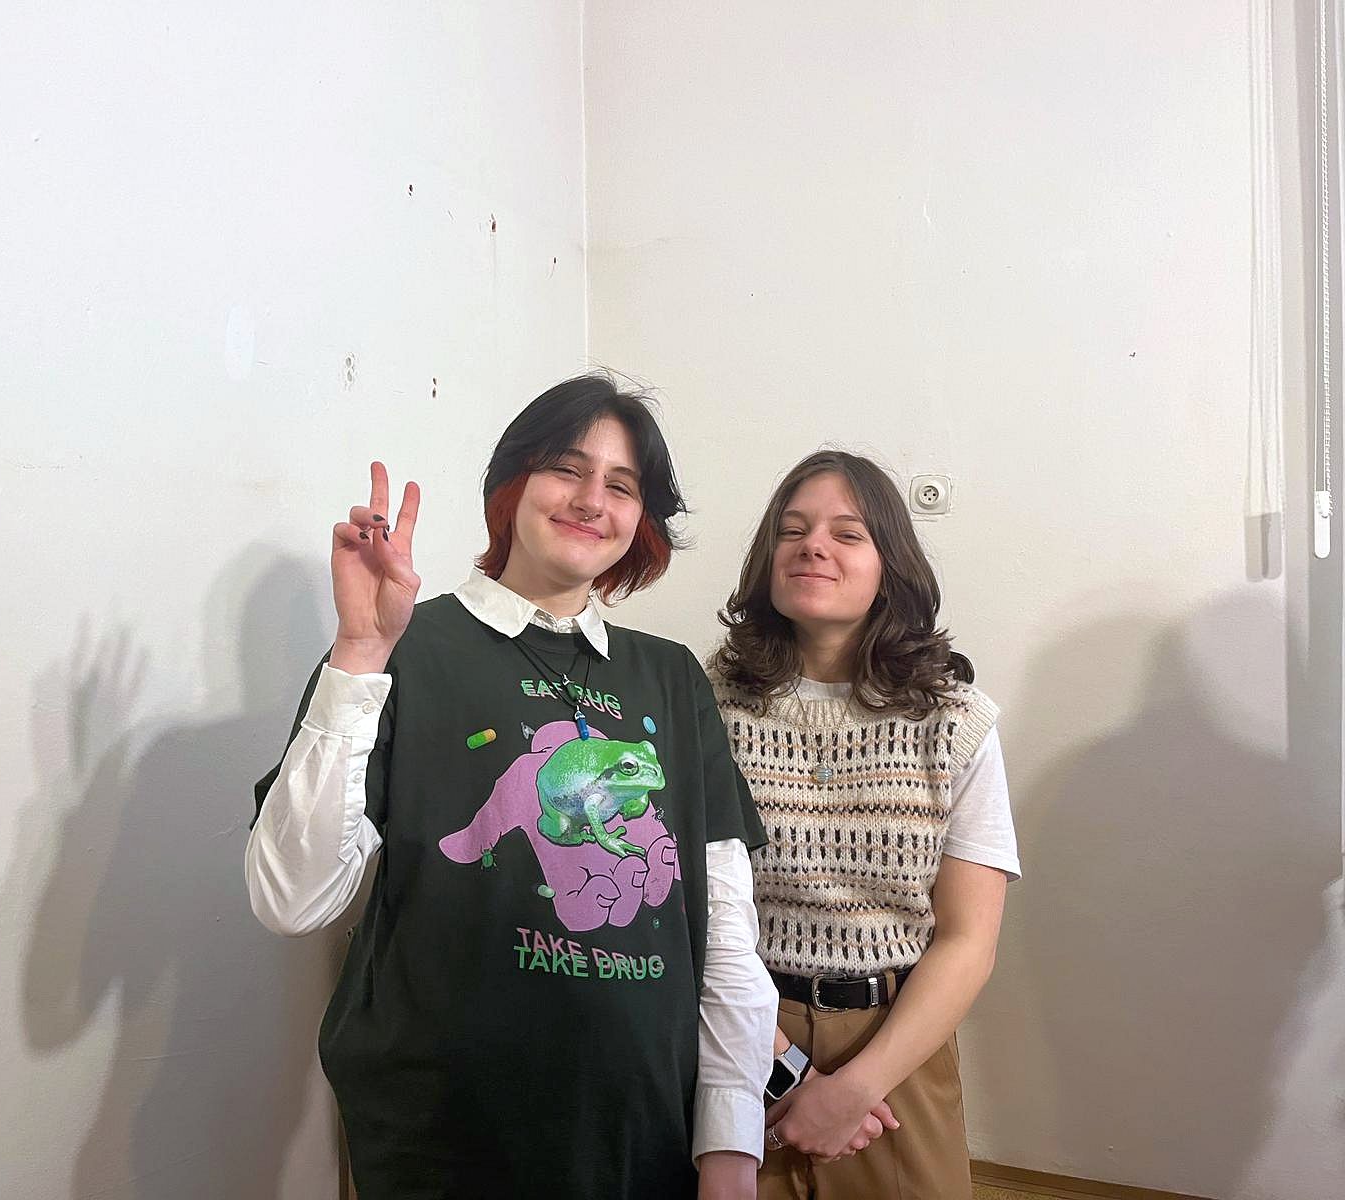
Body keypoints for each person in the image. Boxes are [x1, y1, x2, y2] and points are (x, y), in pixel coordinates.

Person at [245, 374, 782, 1200]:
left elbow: (725, 935)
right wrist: (359, 652)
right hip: (441, 1138)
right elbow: (291, 899)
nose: (592, 500)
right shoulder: (405, 647)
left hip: (643, 1133)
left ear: (641, 521)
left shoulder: (672, 676)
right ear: (512, 482)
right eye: (567, 468)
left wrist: (731, 1146)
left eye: (622, 486)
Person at [710, 450, 1021, 1200]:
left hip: (896, 1047)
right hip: (739, 1028)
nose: (812, 546)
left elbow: (968, 940)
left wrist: (853, 1090)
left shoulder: (955, 723)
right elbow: (687, 908)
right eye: (792, 530)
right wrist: (783, 1068)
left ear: (892, 566)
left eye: (847, 534)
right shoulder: (707, 704)